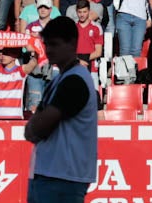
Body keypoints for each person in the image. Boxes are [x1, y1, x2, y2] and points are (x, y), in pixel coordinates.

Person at [25, 16, 98, 203]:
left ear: (72, 43)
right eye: (47, 44)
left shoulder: (75, 81)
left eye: (55, 44)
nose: (49, 50)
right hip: (52, 173)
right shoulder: (60, 79)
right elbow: (33, 128)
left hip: (62, 176)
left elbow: (38, 127)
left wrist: (35, 125)